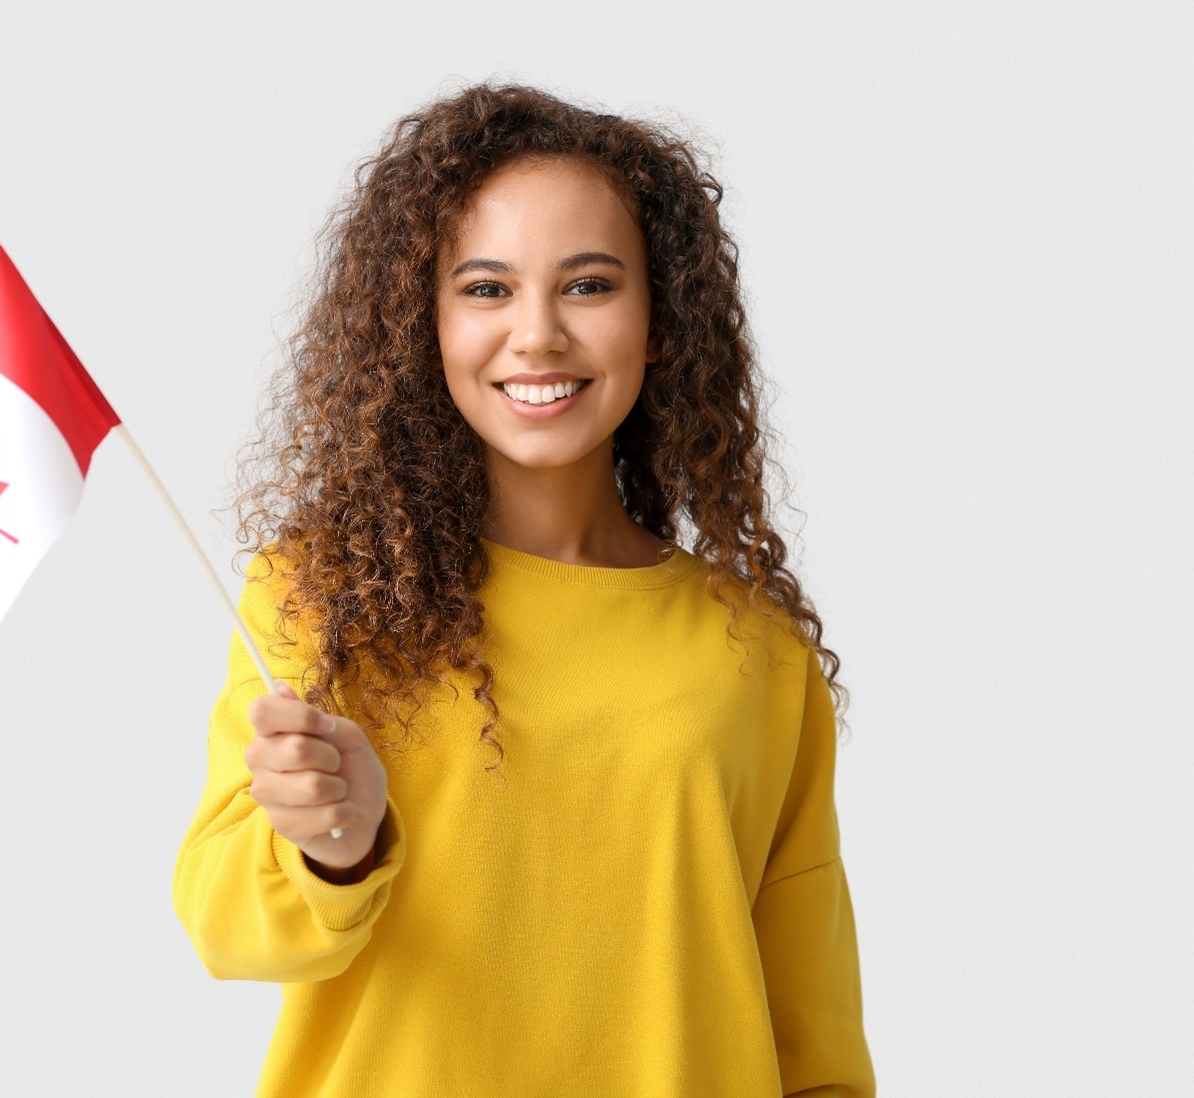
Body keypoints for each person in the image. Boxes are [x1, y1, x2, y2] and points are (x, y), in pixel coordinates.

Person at [172, 81, 876, 1098]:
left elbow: (813, 1033)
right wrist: (337, 845)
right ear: (425, 325)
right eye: (486, 289)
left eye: (588, 286)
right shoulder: (322, 599)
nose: (537, 335)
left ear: (660, 319)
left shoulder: (755, 649)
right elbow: (221, 921)